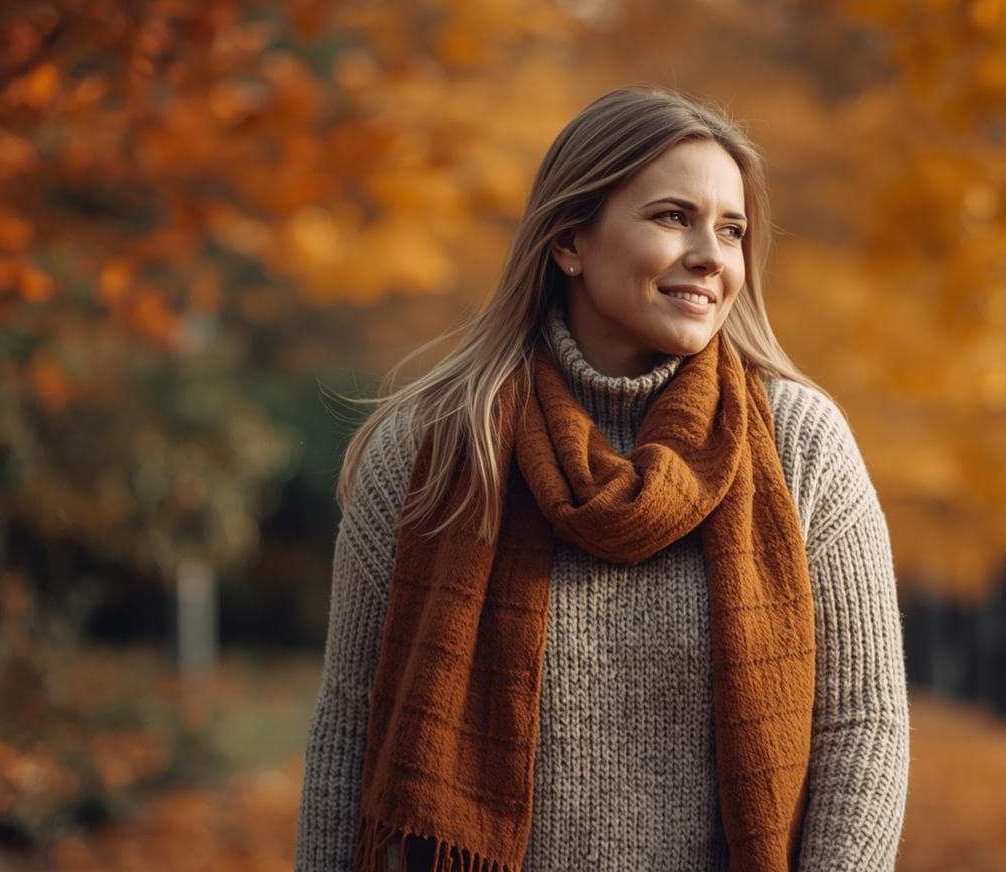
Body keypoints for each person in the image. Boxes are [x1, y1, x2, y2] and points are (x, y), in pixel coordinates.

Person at [294, 86, 909, 872]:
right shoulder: (438, 445)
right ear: (569, 241)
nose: (712, 256)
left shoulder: (800, 444)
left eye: (731, 229)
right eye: (673, 216)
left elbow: (862, 723)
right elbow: (350, 720)